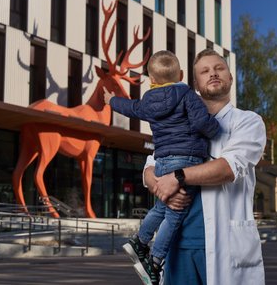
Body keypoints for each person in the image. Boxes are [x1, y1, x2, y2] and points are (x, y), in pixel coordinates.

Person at [143, 48, 267, 285]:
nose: (213, 73)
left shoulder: (247, 121)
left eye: (219, 68)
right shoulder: (176, 120)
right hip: (177, 246)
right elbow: (149, 168)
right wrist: (161, 186)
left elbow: (229, 168)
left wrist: (177, 177)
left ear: (230, 77)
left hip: (226, 245)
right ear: (194, 83)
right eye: (205, 71)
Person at [103, 50, 220, 285]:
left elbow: (130, 108)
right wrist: (215, 130)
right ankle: (154, 261)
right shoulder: (187, 93)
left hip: (163, 160)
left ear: (151, 79)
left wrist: (110, 101)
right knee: (175, 215)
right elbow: (199, 122)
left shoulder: (147, 100)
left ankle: (140, 241)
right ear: (182, 75)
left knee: (163, 206)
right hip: (187, 159)